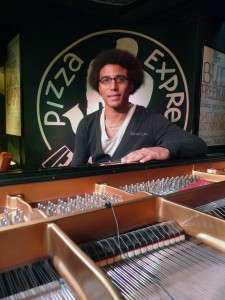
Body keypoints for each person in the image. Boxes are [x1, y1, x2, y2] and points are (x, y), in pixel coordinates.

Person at [71, 49, 207, 166]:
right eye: (106, 80)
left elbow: (197, 144)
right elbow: (75, 172)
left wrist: (163, 150)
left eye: (120, 79)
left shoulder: (151, 120)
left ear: (131, 85)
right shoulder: (86, 124)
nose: (113, 87)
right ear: (99, 87)